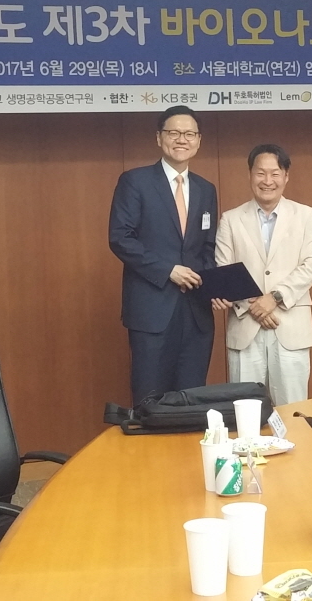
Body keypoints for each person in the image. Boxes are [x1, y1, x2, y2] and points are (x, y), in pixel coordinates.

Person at [108, 106, 218, 406]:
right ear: (159, 138)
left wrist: (214, 287)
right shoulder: (135, 181)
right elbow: (120, 238)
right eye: (173, 133)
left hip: (196, 314)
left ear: (199, 140)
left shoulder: (206, 189)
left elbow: (208, 247)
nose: (182, 139)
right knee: (150, 401)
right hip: (152, 311)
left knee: (192, 401)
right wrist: (168, 270)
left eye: (189, 134)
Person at [211, 144, 312, 406]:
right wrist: (253, 306)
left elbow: (310, 265)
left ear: (286, 176)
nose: (267, 181)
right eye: (260, 173)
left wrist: (273, 298)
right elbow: (224, 269)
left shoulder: (307, 216)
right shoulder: (231, 219)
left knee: (293, 409)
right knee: (244, 410)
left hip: (290, 326)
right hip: (245, 326)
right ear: (250, 175)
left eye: (275, 173)